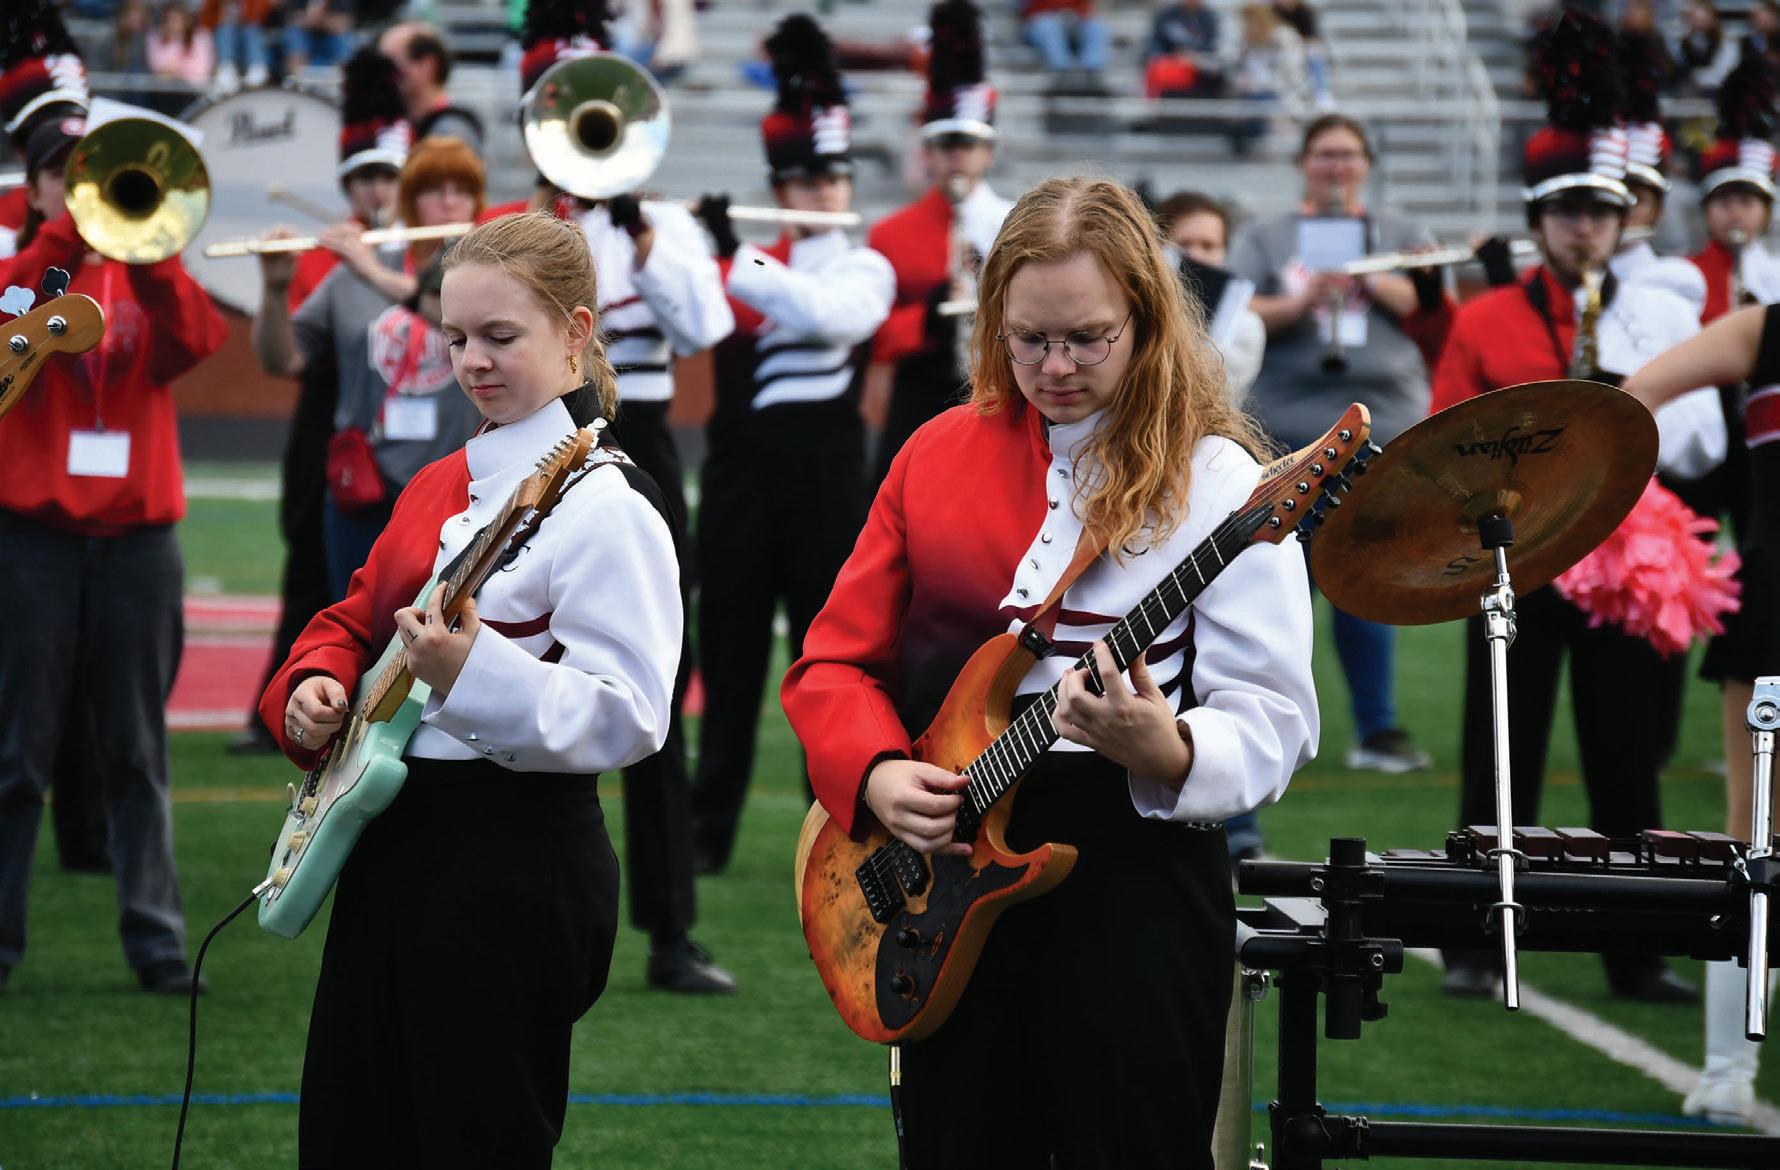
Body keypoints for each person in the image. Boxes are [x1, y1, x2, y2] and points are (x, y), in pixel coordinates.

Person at [783, 176, 1317, 1167]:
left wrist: (1170, 747)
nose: (1055, 367)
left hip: (1135, 874)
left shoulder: (1221, 480)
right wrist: (877, 774)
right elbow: (834, 662)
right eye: (1028, 339)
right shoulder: (934, 453)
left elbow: (1273, 715)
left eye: (1088, 338)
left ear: (1146, 321)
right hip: (942, 874)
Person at [259, 210, 679, 1163]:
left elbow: (631, 716)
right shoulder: (443, 480)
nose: (472, 361)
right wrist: (314, 686)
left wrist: (471, 674)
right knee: (349, 1133)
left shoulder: (608, 504)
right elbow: (354, 619)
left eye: (500, 335)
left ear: (576, 331)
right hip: (391, 847)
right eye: (455, 338)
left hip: (512, 861)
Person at [1429, 9, 1707, 1003]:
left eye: (1601, 211)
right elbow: (1441, 440)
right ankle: (1472, 941)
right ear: (1537, 220)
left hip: (1621, 561)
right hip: (1513, 557)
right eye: (1567, 212)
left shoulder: (1659, 312)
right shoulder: (1484, 317)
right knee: (1498, 757)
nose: (1585, 227)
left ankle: (1637, 951)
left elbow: (1699, 445)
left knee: (1627, 762)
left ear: (1624, 220)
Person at [0, 3, 228, 997]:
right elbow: (8, 321)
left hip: (138, 540)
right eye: (61, 171)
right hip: (34, 538)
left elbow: (196, 344)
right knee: (17, 754)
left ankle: (157, 942)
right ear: (35, 182)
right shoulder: (20, 265)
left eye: (86, 168)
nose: (78, 183)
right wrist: (56, 234)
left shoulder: (143, 264)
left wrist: (152, 247)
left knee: (137, 752)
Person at [513, 0, 739, 994]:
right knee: (522, 660)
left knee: (655, 682)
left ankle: (669, 931)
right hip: (542, 444)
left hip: (639, 439)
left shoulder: (666, 228)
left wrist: (644, 237)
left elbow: (706, 326)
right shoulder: (524, 230)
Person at [688, 15, 895, 874]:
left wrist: (730, 252)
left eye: (832, 179)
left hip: (826, 489)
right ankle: (705, 838)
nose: (819, 193)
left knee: (831, 668)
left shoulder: (864, 268)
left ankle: (840, 832)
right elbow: (690, 313)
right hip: (739, 484)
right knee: (729, 665)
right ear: (780, 184)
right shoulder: (736, 261)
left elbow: (827, 315)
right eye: (805, 179)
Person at [1227, 112, 1436, 773]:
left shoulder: (1398, 232)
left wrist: (1370, 277)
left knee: (1363, 576)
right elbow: (1232, 312)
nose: (1336, 166)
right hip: (1287, 430)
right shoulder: (1267, 236)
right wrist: (1301, 300)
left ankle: (1376, 727)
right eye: (1324, 154)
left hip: (1381, 426)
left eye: (1348, 154)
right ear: (1304, 164)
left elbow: (1430, 305)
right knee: (1277, 586)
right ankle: (1261, 722)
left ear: (1366, 164)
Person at [1623, 303, 1780, 1125]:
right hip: (1774, 611)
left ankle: (1727, 1073)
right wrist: (1652, 526)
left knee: (1760, 838)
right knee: (1758, 839)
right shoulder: (1765, 330)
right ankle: (1727, 1070)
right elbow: (1633, 400)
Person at [230, 64, 409, 754]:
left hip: (409, 425)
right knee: (313, 564)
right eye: (365, 179)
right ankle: (287, 702)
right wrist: (278, 284)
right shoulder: (324, 256)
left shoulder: (428, 252)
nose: (377, 191)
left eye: (388, 177)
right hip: (332, 423)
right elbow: (291, 354)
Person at [253, 77, 487, 601]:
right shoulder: (355, 272)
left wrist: (370, 271)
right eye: (434, 191)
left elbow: (444, 310)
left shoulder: (487, 274)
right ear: (411, 200)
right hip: (365, 486)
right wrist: (274, 289)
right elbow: (282, 359)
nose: (450, 204)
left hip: (460, 489)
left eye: (463, 192)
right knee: (360, 624)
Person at [866, 0, 1014, 485]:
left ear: (988, 151)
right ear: (928, 152)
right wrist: (927, 316)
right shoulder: (891, 232)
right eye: (946, 145)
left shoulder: (1017, 221)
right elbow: (878, 337)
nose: (957, 158)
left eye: (968, 145)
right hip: (920, 391)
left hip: (1001, 387)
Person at [1156, 190, 1265, 405]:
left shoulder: (1246, 326)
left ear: (1224, 252)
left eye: (1208, 246)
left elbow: (1211, 392)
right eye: (1183, 245)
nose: (1195, 256)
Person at [378, 21, 485, 152]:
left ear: (426, 66)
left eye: (390, 66)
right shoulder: (403, 130)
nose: (383, 76)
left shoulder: (449, 134)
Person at [1022, 0, 1109, 74]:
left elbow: (1086, 11)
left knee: (1096, 27)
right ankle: (1063, 71)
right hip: (1038, 25)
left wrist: (1071, 16)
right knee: (1048, 26)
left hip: (1072, 24)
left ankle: (1091, 70)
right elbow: (1024, 11)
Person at [145, 0, 214, 90]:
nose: (172, 24)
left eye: (176, 19)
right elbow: (157, 68)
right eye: (169, 20)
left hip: (193, 89)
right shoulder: (155, 37)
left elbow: (203, 70)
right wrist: (173, 40)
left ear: (186, 20)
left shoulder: (201, 37)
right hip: (167, 88)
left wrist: (177, 70)